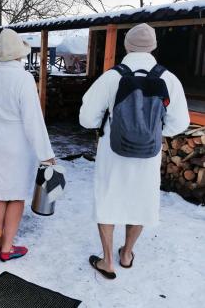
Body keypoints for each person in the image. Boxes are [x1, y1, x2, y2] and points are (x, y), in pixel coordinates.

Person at [79, 23, 190, 279]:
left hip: (112, 151)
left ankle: (107, 261)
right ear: (153, 47)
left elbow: (86, 118)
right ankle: (127, 253)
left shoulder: (111, 77)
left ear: (126, 45)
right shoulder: (168, 79)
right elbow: (180, 123)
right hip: (148, 155)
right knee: (140, 201)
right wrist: (153, 131)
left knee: (108, 200)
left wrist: (108, 125)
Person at [0, 28, 55, 262]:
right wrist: (46, 154)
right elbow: (33, 120)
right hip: (17, 144)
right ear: (19, 55)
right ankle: (6, 248)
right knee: (15, 196)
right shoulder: (24, 78)